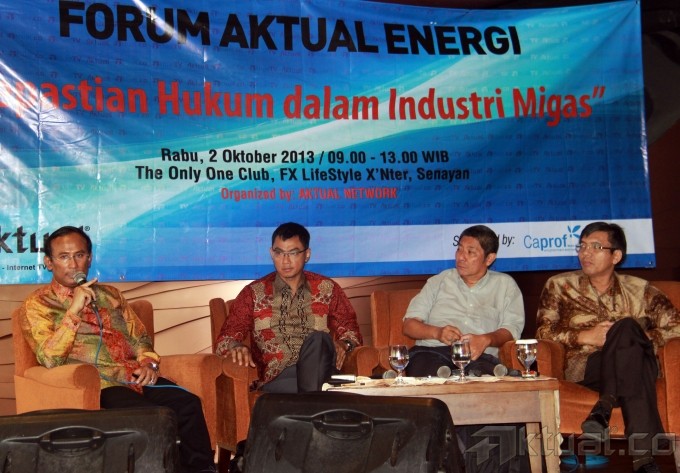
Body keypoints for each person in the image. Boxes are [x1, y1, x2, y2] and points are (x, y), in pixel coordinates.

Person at [18, 226, 216, 473]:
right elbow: (49, 358)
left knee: (188, 403)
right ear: (49, 262)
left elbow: (139, 337)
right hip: (97, 383)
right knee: (151, 415)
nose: (73, 264)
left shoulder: (111, 295)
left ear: (90, 258)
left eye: (79, 255)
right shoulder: (38, 304)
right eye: (64, 257)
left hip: (133, 375)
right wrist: (74, 310)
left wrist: (149, 363)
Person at [536, 221, 680, 473]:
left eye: (596, 247)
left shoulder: (641, 290)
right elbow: (543, 332)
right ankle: (643, 458)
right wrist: (586, 336)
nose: (585, 253)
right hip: (588, 367)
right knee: (630, 347)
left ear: (616, 256)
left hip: (637, 363)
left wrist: (638, 338)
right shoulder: (560, 286)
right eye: (582, 246)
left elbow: (676, 328)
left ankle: (605, 405)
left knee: (626, 328)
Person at [403, 224, 527, 473]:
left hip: (479, 359)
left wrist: (486, 339)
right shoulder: (439, 281)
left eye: (471, 252)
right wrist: (437, 332)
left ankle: (478, 465)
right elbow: (409, 325)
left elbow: (512, 330)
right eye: (459, 249)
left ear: (489, 259)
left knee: (491, 398)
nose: (461, 256)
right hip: (432, 353)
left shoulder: (505, 285)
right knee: (435, 385)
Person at [215, 222, 362, 393]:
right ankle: (316, 402)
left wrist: (344, 344)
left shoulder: (327, 288)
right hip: (279, 379)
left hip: (323, 371)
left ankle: (309, 402)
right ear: (272, 253)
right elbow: (224, 340)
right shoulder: (254, 293)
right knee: (319, 388)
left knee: (320, 339)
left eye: (293, 253)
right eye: (279, 253)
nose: (285, 261)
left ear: (307, 254)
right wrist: (236, 346)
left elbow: (352, 333)